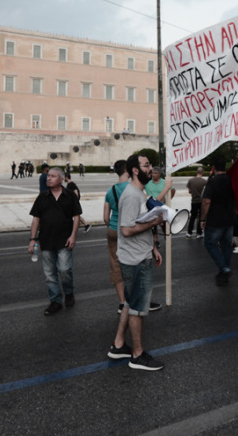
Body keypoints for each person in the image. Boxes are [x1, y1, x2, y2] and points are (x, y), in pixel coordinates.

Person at [107, 153, 166, 371]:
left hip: (139, 253)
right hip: (135, 260)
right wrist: (155, 222)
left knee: (130, 302)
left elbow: (136, 223)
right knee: (138, 309)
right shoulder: (132, 195)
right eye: (146, 165)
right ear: (135, 170)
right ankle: (138, 355)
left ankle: (118, 344)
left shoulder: (138, 192)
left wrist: (152, 247)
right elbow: (127, 229)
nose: (150, 168)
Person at [28, 167, 81, 315]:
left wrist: (73, 236)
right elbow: (36, 219)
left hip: (64, 240)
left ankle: (69, 292)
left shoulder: (70, 195)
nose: (48, 178)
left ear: (61, 179)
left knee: (64, 270)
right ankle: (55, 301)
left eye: (53, 176)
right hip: (46, 241)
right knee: (49, 274)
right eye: (48, 176)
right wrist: (33, 239)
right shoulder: (42, 197)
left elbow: (76, 216)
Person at [200, 159, 237, 286]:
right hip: (229, 218)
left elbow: (206, 201)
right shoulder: (231, 179)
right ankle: (224, 272)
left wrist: (202, 218)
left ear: (214, 168)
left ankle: (225, 269)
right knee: (226, 245)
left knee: (210, 243)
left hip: (215, 219)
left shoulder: (213, 181)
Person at [104, 159, 131, 313]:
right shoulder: (133, 188)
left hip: (113, 230)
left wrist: (112, 226)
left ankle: (122, 302)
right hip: (129, 230)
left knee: (116, 265)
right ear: (128, 170)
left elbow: (105, 217)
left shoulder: (110, 190)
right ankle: (133, 298)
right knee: (132, 264)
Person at [186, 167, 207, 238]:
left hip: (194, 201)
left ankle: (189, 232)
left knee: (193, 217)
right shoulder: (204, 181)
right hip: (202, 201)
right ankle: (199, 233)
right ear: (203, 172)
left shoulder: (191, 180)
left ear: (196, 172)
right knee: (201, 218)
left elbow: (189, 191)